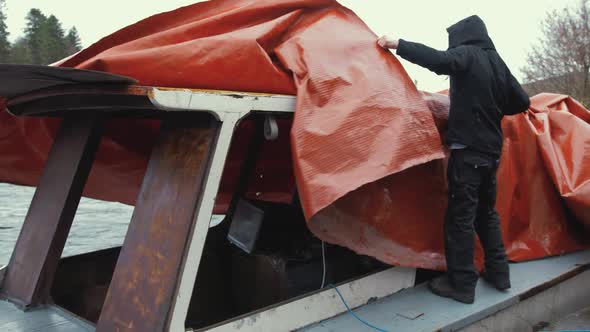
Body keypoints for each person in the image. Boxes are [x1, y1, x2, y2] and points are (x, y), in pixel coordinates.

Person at [377, 15, 530, 304]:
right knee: (486, 213)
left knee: (460, 218)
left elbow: (439, 60)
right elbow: (522, 101)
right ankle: (499, 274)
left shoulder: (467, 54)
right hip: (491, 153)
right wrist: (491, 109)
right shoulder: (496, 62)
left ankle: (461, 284)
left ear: (461, 37)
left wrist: (399, 44)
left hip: (468, 152)